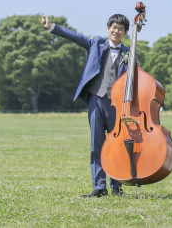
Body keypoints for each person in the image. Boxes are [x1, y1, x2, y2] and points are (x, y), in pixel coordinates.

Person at [41, 13, 134, 198]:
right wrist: (52, 26)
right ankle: (99, 187)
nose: (116, 31)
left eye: (120, 29)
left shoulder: (131, 53)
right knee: (96, 145)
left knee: (116, 146)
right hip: (95, 99)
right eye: (114, 28)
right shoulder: (96, 44)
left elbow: (135, 81)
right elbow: (75, 36)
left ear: (125, 33)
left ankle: (116, 186)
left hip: (117, 105)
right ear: (108, 29)